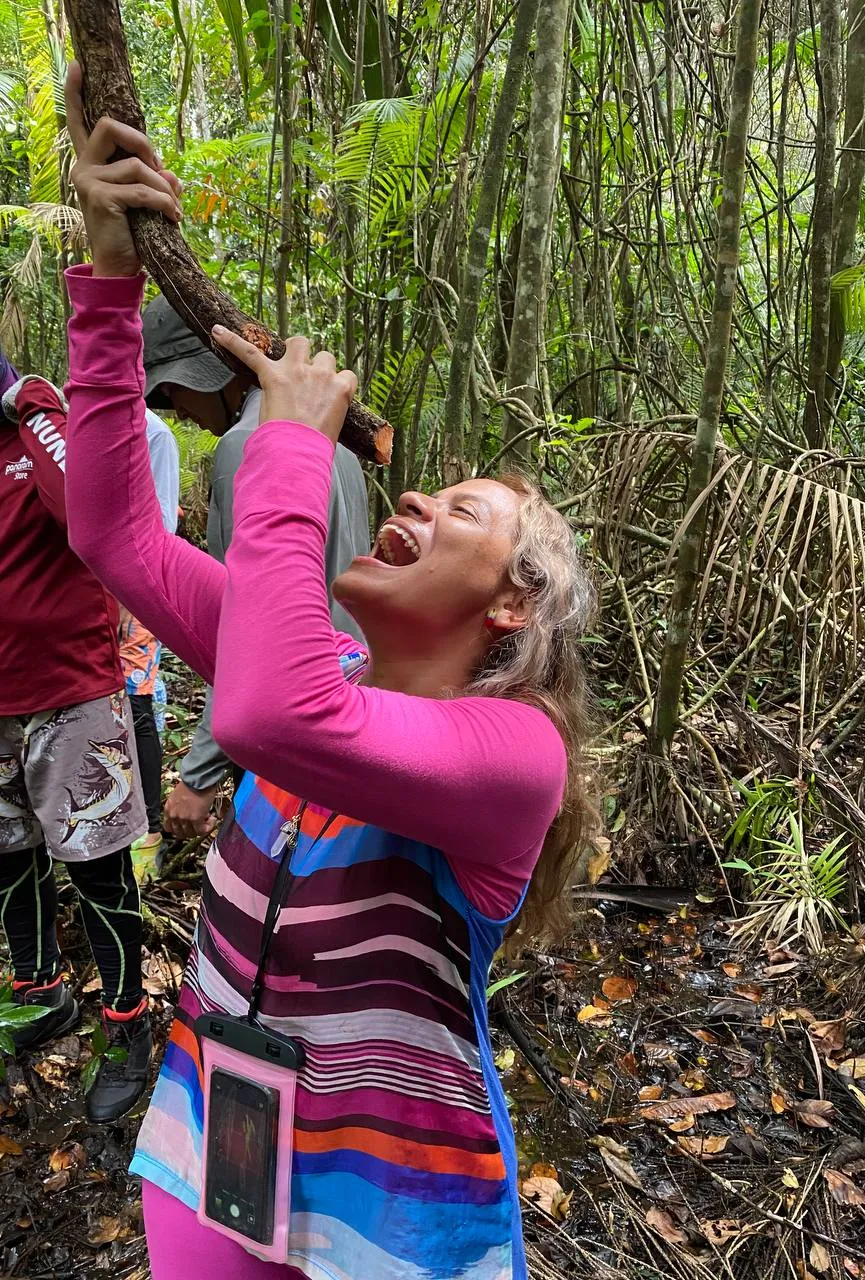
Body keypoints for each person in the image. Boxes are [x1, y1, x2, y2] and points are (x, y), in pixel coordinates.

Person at [64, 70, 593, 1280]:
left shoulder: (518, 755)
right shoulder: (331, 659)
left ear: (511, 604)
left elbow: (268, 711)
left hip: (391, 1213)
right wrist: (106, 278)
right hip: (218, 1138)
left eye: (461, 510)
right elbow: (116, 538)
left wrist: (292, 444)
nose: (410, 497)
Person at [140, 296, 369, 843]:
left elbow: (246, 621)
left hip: (285, 723)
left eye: (175, 391)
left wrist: (198, 775)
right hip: (349, 703)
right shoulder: (335, 441)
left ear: (217, 376)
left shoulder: (246, 444)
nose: (181, 410)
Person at [0, 369, 152, 1125]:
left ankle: (127, 1020)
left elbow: (89, 515)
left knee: (96, 867)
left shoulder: (38, 426)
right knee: (8, 856)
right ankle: (41, 990)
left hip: (70, 695)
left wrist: (32, 404)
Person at [122, 407, 180, 879]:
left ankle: (150, 830)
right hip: (87, 590)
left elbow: (160, 524)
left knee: (137, 705)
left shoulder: (153, 434)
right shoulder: (70, 425)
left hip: (136, 588)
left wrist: (132, 594)